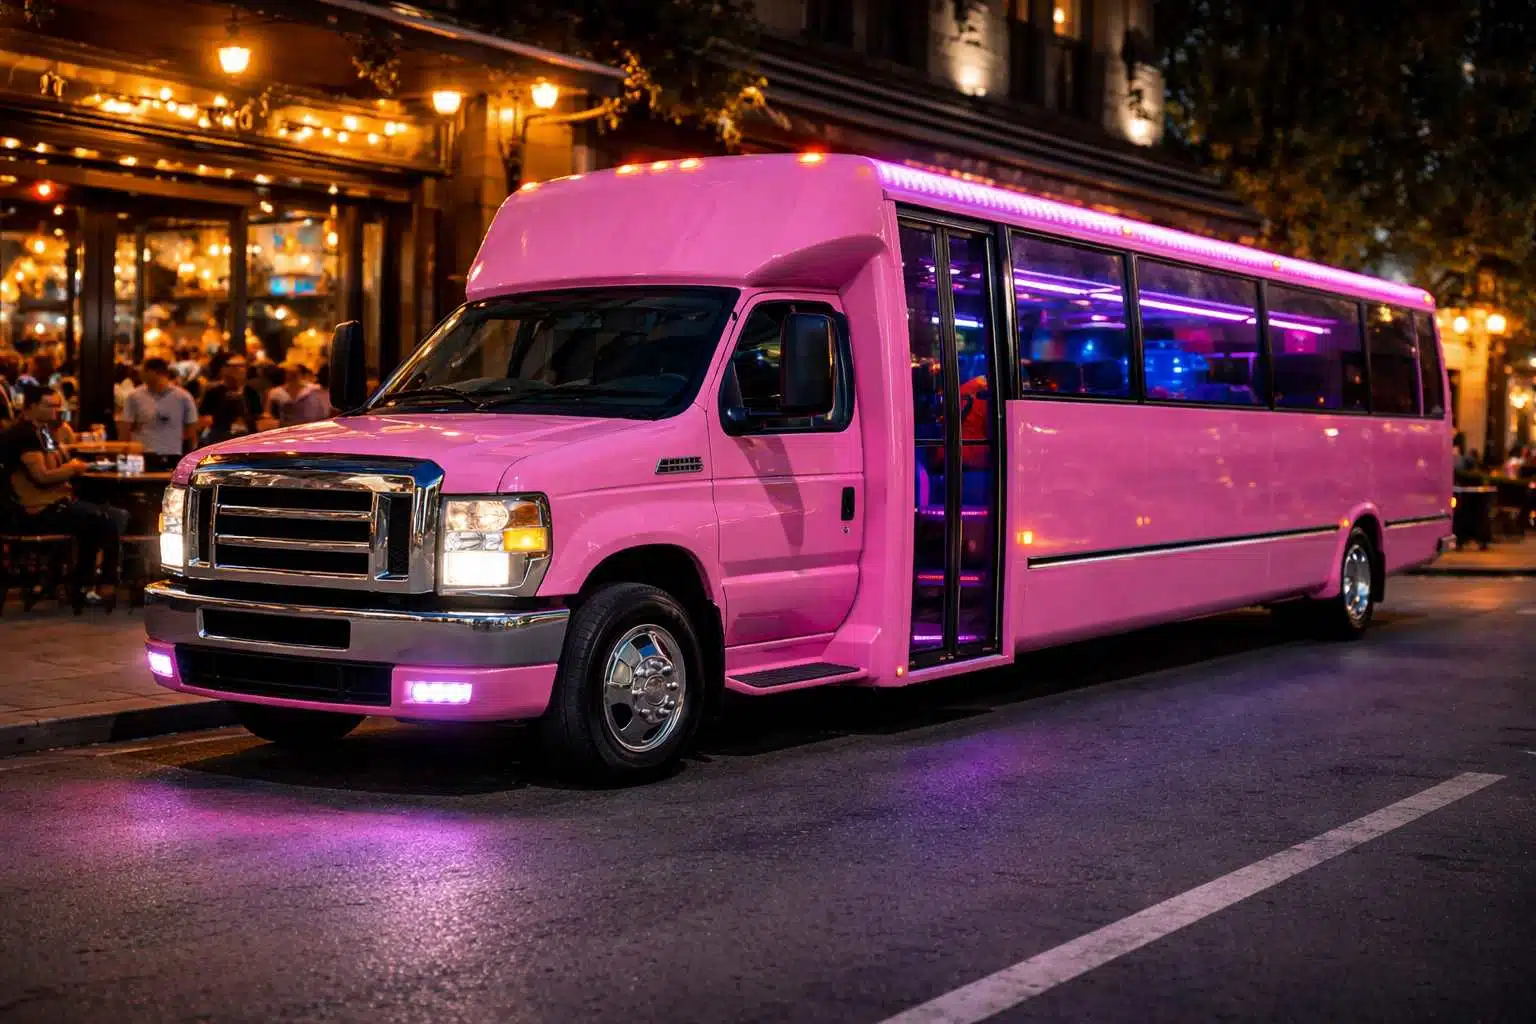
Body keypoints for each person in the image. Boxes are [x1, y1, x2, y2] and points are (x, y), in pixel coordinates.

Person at [0, 384, 124, 610]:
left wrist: (71, 459)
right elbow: (42, 476)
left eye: (57, 406)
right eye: (49, 406)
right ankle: (93, 585)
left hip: (53, 502)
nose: (55, 411)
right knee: (101, 520)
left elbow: (55, 459)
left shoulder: (44, 431)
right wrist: (73, 469)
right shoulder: (23, 434)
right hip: (33, 511)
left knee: (115, 516)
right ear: (31, 407)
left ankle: (86, 583)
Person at [119, 357, 198, 465]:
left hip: (173, 455)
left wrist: (171, 438)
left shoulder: (183, 397)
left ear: (153, 372)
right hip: (142, 455)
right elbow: (125, 428)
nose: (140, 374)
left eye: (143, 370)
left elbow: (192, 428)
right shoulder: (134, 396)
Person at [197, 353, 261, 445]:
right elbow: (204, 418)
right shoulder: (213, 392)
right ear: (223, 369)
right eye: (234, 366)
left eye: (242, 366)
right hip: (220, 441)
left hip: (248, 440)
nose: (239, 370)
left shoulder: (251, 392)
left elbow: (258, 417)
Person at [262, 362, 331, 428]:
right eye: (290, 373)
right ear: (285, 374)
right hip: (287, 427)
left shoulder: (313, 389)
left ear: (300, 374)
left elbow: (325, 406)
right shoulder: (276, 392)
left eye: (295, 373)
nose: (292, 376)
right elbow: (267, 413)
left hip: (311, 425)